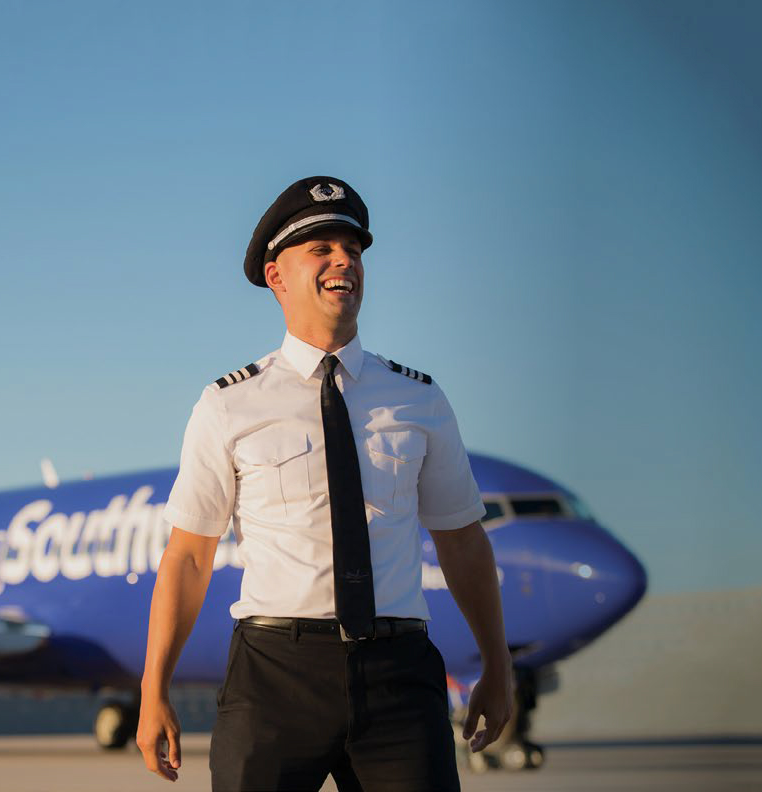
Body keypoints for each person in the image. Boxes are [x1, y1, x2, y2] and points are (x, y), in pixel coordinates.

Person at [137, 176, 513, 791]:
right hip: (273, 678)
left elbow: (464, 541)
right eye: (321, 248)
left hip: (399, 678)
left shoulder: (419, 399)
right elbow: (187, 557)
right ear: (276, 274)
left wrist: (498, 667)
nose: (344, 260)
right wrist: (154, 691)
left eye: (354, 250)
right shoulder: (229, 404)